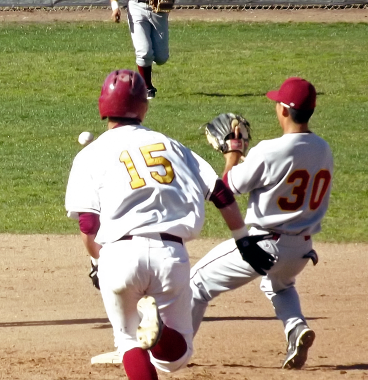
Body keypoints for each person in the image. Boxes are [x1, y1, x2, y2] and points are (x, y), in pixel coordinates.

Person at [65, 69, 273, 379]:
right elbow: (220, 193)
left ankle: (151, 333)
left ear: (102, 106)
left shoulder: (89, 155)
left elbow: (87, 225)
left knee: (127, 342)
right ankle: (159, 333)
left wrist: (99, 261)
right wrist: (243, 240)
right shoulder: (171, 146)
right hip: (169, 255)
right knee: (175, 360)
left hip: (118, 255)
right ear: (143, 107)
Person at [189, 77, 333, 369]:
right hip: (302, 249)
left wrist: (233, 152)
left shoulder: (270, 150)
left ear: (283, 110)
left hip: (265, 246)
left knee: (195, 284)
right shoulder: (323, 149)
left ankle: (174, 352)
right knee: (279, 286)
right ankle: (296, 328)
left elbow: (228, 187)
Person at [110, 0, 172, 99]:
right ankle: (146, 87)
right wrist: (115, 7)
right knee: (144, 52)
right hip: (136, 6)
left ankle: (149, 59)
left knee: (161, 58)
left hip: (159, 9)